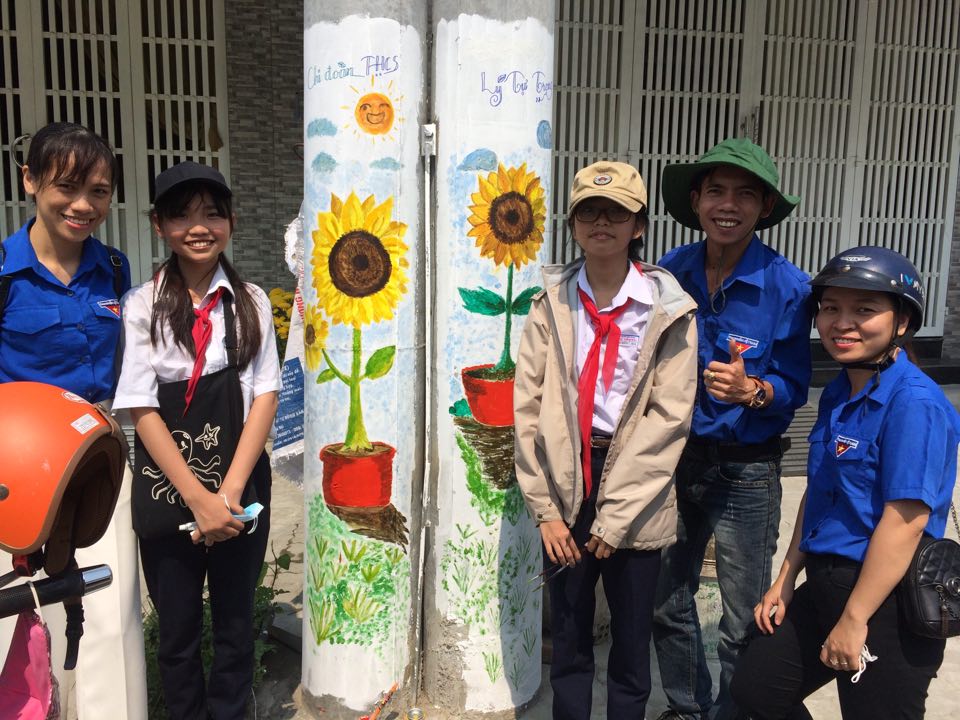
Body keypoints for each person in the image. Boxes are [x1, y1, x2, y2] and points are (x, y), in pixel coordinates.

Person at [731, 247, 959, 719]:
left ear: (902, 321)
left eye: (864, 309)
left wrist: (855, 619)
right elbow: (820, 493)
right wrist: (785, 578)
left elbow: (906, 521)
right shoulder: (839, 390)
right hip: (824, 581)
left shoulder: (914, 403)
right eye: (831, 308)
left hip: (885, 599)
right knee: (757, 689)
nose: (842, 323)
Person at [514, 160, 698, 719]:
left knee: (631, 643)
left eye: (616, 213)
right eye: (588, 212)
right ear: (572, 225)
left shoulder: (669, 310)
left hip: (638, 491)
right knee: (570, 638)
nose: (601, 223)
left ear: (638, 226)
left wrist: (615, 517)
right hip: (567, 483)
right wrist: (546, 511)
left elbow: (668, 418)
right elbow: (527, 409)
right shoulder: (551, 303)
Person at [651, 137, 813, 720]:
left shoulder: (789, 288)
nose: (728, 205)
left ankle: (735, 713)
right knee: (667, 599)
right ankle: (687, 707)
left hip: (747, 469)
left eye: (745, 195)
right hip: (673, 460)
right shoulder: (670, 271)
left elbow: (795, 383)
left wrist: (755, 391)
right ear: (696, 200)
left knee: (743, 616)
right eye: (715, 191)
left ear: (765, 208)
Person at [112, 162, 280, 719]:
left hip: (240, 486)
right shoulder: (142, 305)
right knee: (177, 633)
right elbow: (140, 406)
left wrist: (227, 495)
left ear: (231, 220)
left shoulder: (252, 301)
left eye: (212, 213)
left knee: (235, 626)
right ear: (159, 225)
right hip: (170, 488)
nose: (200, 226)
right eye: (182, 215)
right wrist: (197, 498)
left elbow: (265, 396)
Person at [0, 121, 147, 718]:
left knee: (111, 614)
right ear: (30, 180)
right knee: (19, 613)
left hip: (98, 461)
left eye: (99, 191)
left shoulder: (114, 268)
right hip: (15, 469)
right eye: (67, 187)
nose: (84, 205)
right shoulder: (3, 272)